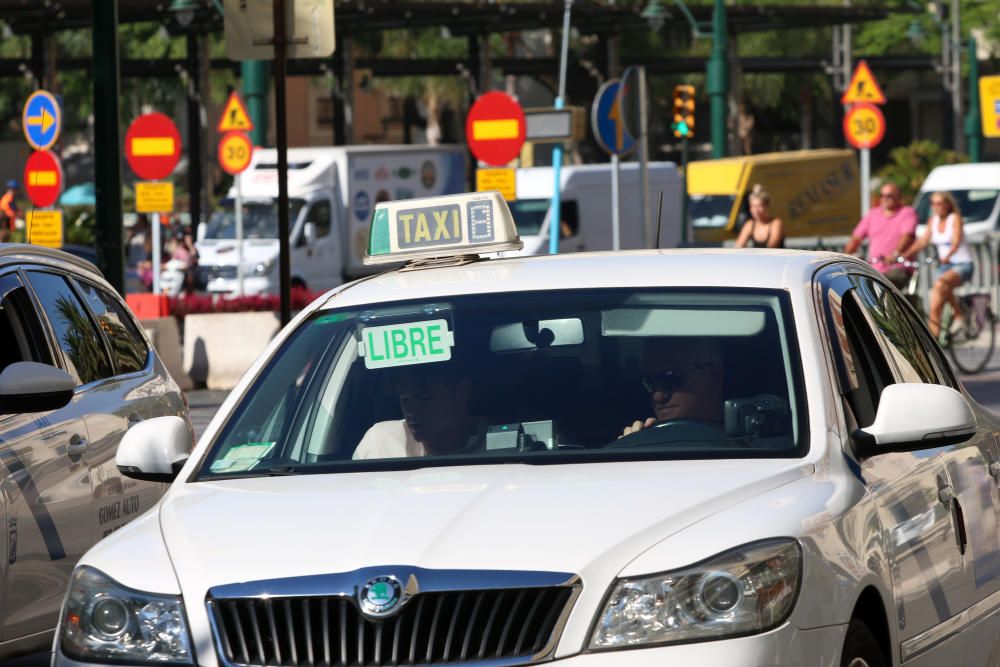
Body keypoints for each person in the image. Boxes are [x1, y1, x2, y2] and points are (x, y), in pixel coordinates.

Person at [353, 363, 484, 459]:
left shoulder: (496, 446)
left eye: (424, 398)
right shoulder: (380, 441)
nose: (411, 412)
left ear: (462, 392)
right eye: (404, 399)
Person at [901, 191, 974, 338]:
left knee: (940, 285)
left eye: (939, 203)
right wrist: (904, 254)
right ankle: (934, 341)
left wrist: (948, 255)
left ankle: (959, 316)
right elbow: (923, 241)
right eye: (933, 203)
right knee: (935, 305)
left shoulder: (955, 218)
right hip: (945, 266)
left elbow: (956, 241)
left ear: (947, 204)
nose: (936, 206)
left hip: (962, 264)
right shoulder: (932, 221)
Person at [621, 337, 724, 437]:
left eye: (670, 378)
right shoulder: (650, 442)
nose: (657, 397)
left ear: (714, 376)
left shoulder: (737, 446)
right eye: (649, 383)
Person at [844, 183, 918, 291]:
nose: (885, 198)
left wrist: (895, 253)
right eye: (882, 195)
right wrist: (846, 255)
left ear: (898, 198)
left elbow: (907, 236)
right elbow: (856, 238)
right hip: (874, 269)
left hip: (897, 267)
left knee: (883, 286)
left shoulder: (907, 213)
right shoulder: (872, 214)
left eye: (889, 196)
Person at [735, 184, 785, 249]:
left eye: (759, 206)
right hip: (757, 258)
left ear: (767, 206)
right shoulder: (750, 224)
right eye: (753, 206)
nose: (756, 210)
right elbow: (738, 246)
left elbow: (772, 246)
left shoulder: (776, 223)